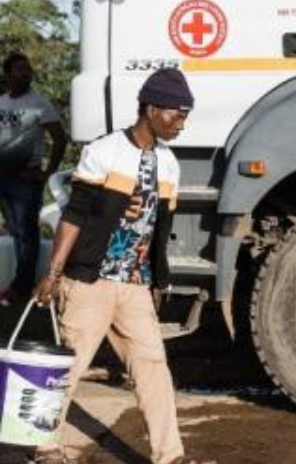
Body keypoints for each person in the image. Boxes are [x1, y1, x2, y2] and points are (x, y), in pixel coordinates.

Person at [31, 68, 210, 464]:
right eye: (176, 114)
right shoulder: (105, 152)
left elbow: (160, 229)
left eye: (185, 115)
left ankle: (170, 456)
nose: (181, 123)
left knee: (153, 368)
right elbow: (74, 217)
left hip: (135, 286)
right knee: (69, 368)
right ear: (150, 109)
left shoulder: (169, 164)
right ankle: (45, 448)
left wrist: (158, 280)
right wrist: (55, 274)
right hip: (89, 282)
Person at [0, 52, 67, 305]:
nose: (26, 73)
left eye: (27, 69)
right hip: (3, 179)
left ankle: (21, 286)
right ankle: (21, 284)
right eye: (19, 69)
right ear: (7, 74)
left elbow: (60, 139)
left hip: (25, 181)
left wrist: (47, 173)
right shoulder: (2, 102)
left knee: (27, 234)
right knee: (16, 232)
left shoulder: (40, 103)